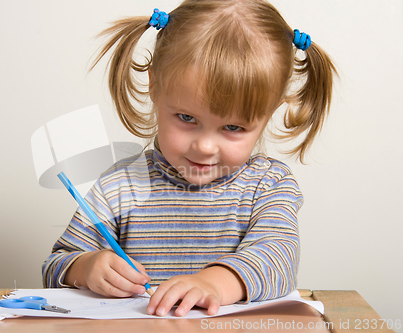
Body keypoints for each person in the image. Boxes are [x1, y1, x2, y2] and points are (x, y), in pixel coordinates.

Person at [42, 0, 336, 317]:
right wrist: (86, 268)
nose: (205, 146)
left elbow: (278, 259)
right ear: (155, 86)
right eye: (186, 117)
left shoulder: (267, 185)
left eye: (233, 127)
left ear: (269, 114)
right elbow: (56, 264)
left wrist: (215, 284)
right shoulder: (120, 185)